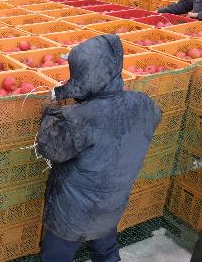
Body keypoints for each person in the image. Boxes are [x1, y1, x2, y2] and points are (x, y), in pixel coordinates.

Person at [35, 34, 162, 262]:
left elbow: (49, 147)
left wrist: (51, 106)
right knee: (105, 250)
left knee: (56, 257)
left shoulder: (78, 119)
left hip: (72, 213)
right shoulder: (144, 104)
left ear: (83, 77)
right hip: (112, 203)